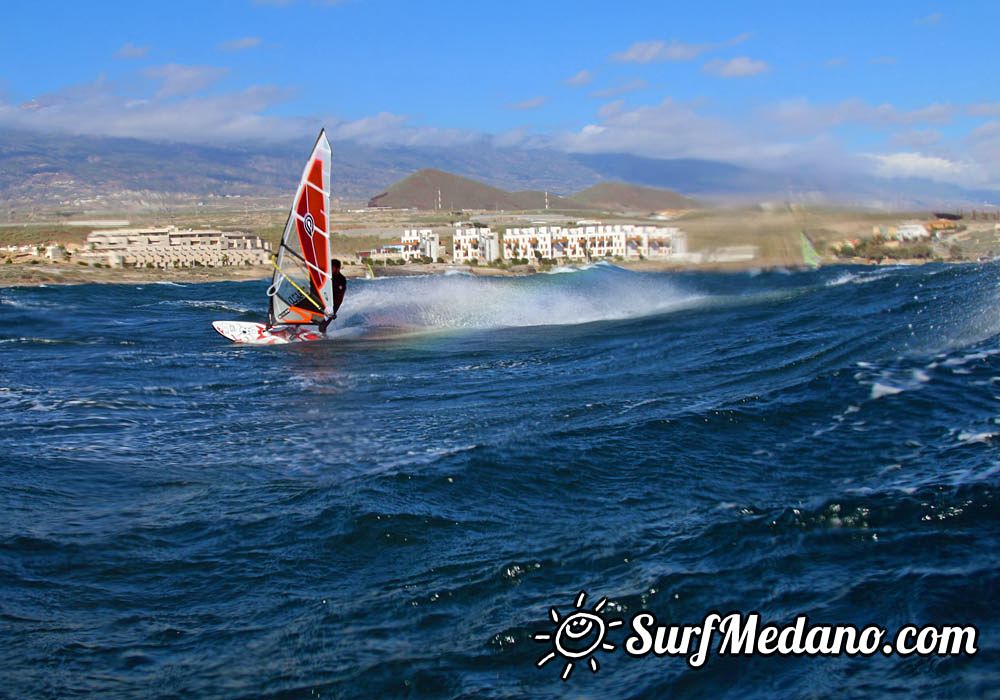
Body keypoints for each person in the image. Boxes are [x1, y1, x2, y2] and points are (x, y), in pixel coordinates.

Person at [318, 258, 346, 333]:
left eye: (332, 268)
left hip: (333, 306)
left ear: (337, 268)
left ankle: (323, 339)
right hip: (323, 301)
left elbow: (338, 292)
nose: (330, 269)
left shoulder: (341, 279)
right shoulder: (327, 276)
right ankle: (295, 328)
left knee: (322, 326)